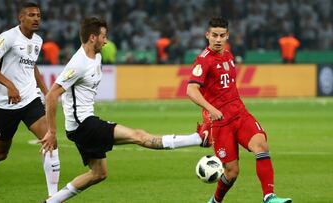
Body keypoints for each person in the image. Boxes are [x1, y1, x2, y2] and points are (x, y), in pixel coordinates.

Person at [40, 16, 208, 203]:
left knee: (98, 173)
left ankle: (51, 202)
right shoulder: (78, 63)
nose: (106, 41)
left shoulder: (96, 57)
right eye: (104, 36)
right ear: (92, 38)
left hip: (82, 126)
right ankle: (198, 138)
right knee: (139, 136)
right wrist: (52, 132)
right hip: (84, 125)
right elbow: (51, 95)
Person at [186, 17, 292, 203]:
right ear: (207, 35)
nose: (218, 39)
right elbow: (190, 90)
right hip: (221, 123)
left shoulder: (227, 54)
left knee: (261, 144)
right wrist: (210, 110)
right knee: (232, 172)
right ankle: (216, 201)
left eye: (221, 35)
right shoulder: (203, 61)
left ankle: (269, 197)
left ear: (227, 36)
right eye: (214, 35)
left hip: (240, 114)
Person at [0, 3, 60, 203]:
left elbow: (32, 67)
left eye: (38, 15)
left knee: (50, 140)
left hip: (30, 100)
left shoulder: (38, 40)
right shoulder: (9, 37)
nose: (36, 18)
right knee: (0, 153)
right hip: (6, 104)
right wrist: (10, 86)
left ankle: (54, 196)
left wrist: (47, 93)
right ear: (21, 18)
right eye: (31, 15)